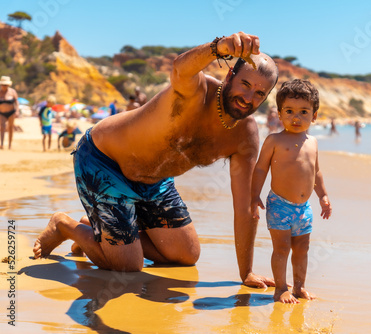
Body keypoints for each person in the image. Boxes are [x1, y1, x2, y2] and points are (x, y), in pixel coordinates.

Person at [33, 32, 279, 288]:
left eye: (260, 93)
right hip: (104, 161)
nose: (249, 98)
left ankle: (101, 232)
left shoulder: (245, 137)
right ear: (229, 76)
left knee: (186, 255)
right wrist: (219, 47)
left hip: (156, 182)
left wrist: (246, 273)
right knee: (128, 266)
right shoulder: (196, 90)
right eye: (245, 85)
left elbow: (245, 208)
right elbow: (180, 67)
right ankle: (66, 226)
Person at [250, 79, 332, 303]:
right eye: (290, 111)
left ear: (314, 115)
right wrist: (254, 195)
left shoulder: (313, 142)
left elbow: (316, 172)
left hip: (304, 209)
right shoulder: (274, 140)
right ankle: (279, 289)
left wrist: (323, 196)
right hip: (279, 205)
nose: (296, 117)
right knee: (282, 248)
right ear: (279, 114)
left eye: (304, 112)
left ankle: (299, 287)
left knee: (302, 249)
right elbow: (260, 169)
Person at [0, 76, 19, 150]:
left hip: (11, 113)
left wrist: (17, 111)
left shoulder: (12, 92)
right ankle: (1, 144)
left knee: (11, 128)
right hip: (1, 113)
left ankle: (10, 144)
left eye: (6, 85)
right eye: (3, 85)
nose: (4, 86)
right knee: (2, 127)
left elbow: (16, 102)